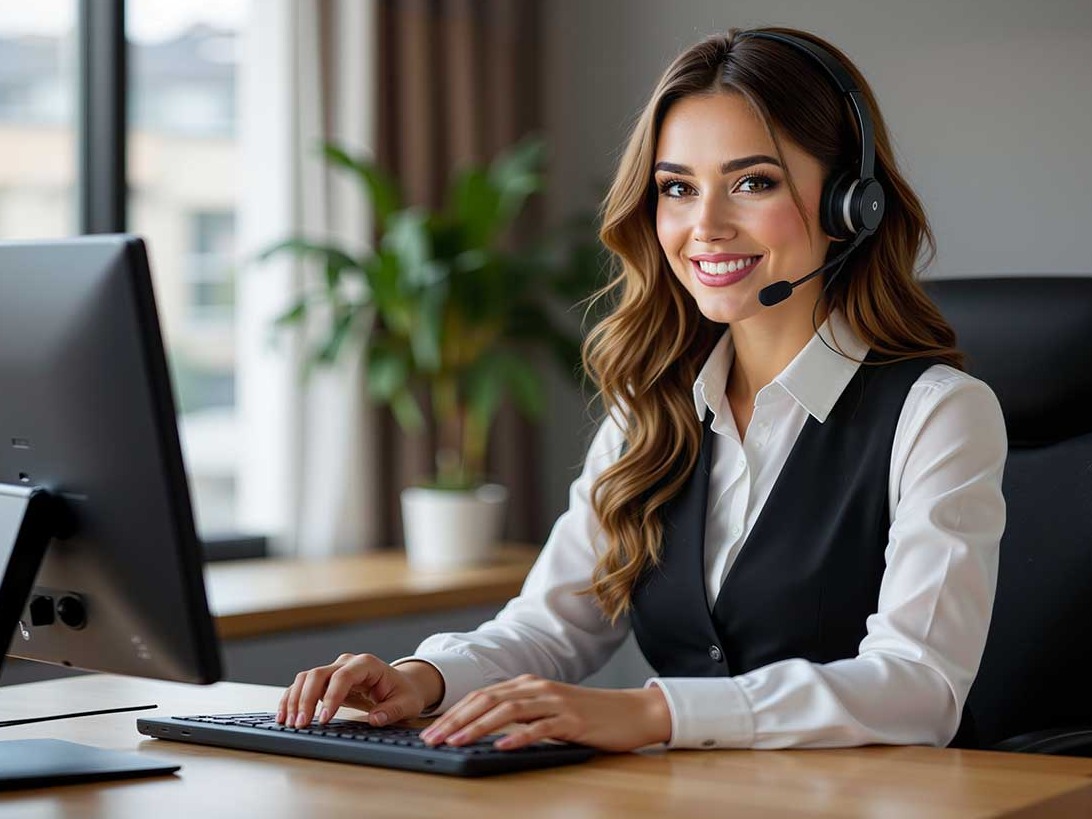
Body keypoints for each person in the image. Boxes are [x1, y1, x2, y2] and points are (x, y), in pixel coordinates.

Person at [278, 26, 1006, 752]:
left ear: (851, 204)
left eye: (754, 182)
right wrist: (423, 676)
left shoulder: (936, 413)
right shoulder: (653, 408)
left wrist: (656, 713)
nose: (705, 226)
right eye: (677, 189)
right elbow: (552, 623)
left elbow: (918, 684)